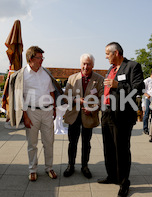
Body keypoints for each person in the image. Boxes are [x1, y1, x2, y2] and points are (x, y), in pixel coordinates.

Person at [8, 46, 63, 181]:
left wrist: (54, 108)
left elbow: (51, 90)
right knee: (32, 143)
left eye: (42, 58)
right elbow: (20, 98)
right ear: (31, 59)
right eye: (39, 58)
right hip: (31, 112)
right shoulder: (22, 75)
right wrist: (25, 116)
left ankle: (49, 167)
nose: (42, 60)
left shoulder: (46, 73)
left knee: (49, 142)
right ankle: (32, 169)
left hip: (47, 111)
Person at [98, 42, 144, 197]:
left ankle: (124, 182)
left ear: (116, 52)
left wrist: (119, 85)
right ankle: (112, 176)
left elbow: (138, 89)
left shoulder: (132, 66)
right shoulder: (111, 69)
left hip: (122, 115)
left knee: (122, 149)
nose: (105, 57)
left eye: (107, 54)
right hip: (107, 113)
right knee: (108, 147)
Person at [63, 53, 104, 179]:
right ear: (80, 64)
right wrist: (76, 100)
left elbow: (102, 99)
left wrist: (91, 109)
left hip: (89, 116)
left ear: (93, 65)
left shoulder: (99, 79)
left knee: (86, 142)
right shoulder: (72, 78)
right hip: (73, 115)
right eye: (84, 64)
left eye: (88, 64)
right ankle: (70, 165)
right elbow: (65, 98)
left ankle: (85, 166)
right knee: (72, 142)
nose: (86, 67)